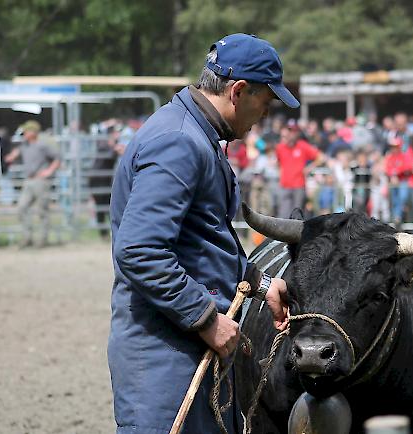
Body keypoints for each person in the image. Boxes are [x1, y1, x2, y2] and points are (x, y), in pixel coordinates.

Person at [108, 33, 293, 434]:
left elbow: (204, 241)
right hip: (165, 355)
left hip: (187, 346)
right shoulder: (179, 141)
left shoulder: (197, 135)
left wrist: (261, 284)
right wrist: (206, 319)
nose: (267, 112)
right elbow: (140, 250)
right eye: (267, 99)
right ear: (239, 91)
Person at [4, 120, 60, 248]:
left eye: (26, 131)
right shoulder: (24, 146)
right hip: (29, 180)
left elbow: (57, 158)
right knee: (22, 207)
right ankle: (27, 237)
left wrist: (49, 171)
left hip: (41, 180)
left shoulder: (43, 145)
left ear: (33, 132)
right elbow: (15, 154)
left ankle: (42, 240)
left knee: (42, 211)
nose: (24, 133)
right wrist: (11, 157)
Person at [275, 122, 324, 218]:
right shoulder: (280, 147)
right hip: (284, 185)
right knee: (283, 215)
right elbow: (278, 163)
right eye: (289, 131)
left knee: (297, 216)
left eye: (293, 131)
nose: (290, 134)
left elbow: (320, 157)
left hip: (299, 185)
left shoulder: (302, 146)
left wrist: (309, 168)